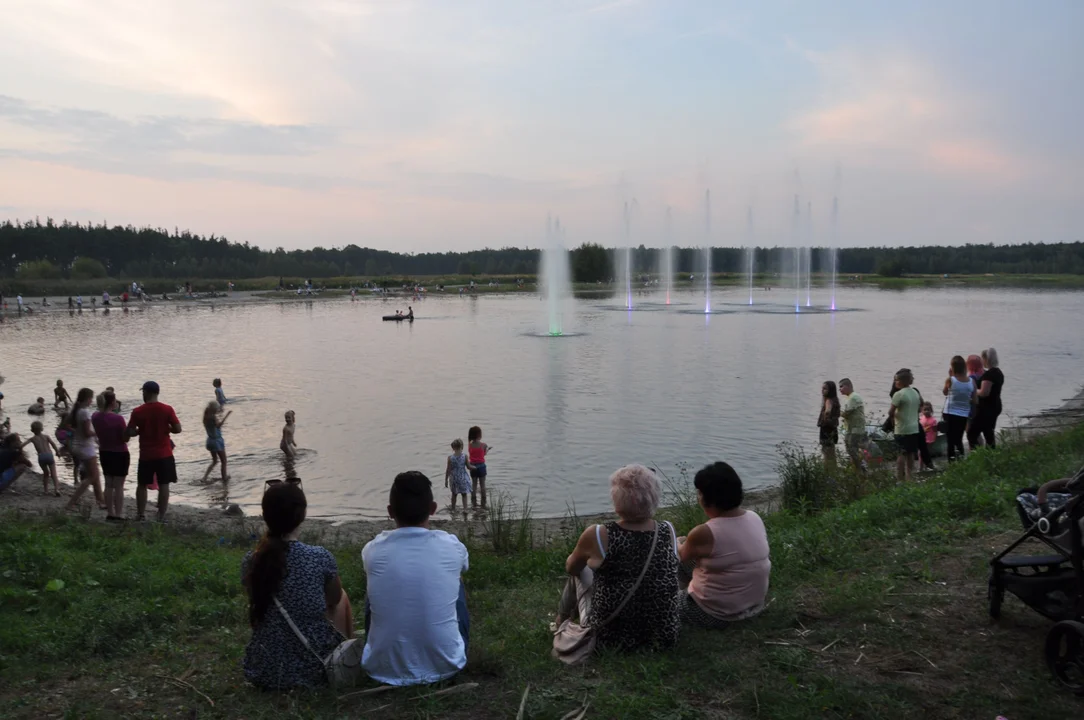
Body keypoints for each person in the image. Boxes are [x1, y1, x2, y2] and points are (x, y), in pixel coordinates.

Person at [242, 481, 354, 690]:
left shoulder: (252, 561)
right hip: (313, 669)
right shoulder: (319, 557)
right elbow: (334, 601)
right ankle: (346, 659)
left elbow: (257, 600)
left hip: (264, 669)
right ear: (301, 516)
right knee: (342, 597)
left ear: (266, 515)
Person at [361, 471, 469, 685]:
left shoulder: (372, 551)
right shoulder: (451, 546)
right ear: (433, 509)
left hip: (380, 668)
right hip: (447, 666)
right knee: (456, 581)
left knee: (374, 587)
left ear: (390, 512)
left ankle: (379, 647)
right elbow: (463, 566)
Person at [558, 464, 680, 652]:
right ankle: (561, 620)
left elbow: (571, 568)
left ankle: (560, 621)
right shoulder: (667, 530)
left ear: (616, 499)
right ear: (654, 497)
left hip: (609, 638)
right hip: (662, 636)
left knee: (579, 568)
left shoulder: (599, 534)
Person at [676, 462, 770, 629]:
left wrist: (676, 542)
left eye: (699, 493)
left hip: (716, 614)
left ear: (709, 500)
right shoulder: (754, 517)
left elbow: (680, 556)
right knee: (690, 552)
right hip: (754, 606)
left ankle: (680, 595)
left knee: (659, 600)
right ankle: (684, 590)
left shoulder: (705, 532)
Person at [127, 381, 182, 523]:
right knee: (164, 484)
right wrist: (167, 429)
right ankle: (161, 515)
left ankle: (140, 514)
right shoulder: (167, 409)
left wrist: (139, 431)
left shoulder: (138, 411)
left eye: (143, 392)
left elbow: (130, 431)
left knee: (142, 484)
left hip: (146, 454)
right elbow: (178, 429)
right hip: (165, 453)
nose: (142, 395)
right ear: (157, 393)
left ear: (147, 392)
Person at [64, 388, 104, 512]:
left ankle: (101, 502)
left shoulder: (76, 411)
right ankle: (71, 503)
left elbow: (66, 425)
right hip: (86, 448)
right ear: (88, 399)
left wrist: (77, 433)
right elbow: (87, 433)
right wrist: (97, 432)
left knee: (95, 475)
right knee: (92, 477)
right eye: (91, 398)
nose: (91, 401)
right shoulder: (85, 412)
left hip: (80, 446)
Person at [93, 391, 130, 521]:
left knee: (108, 484)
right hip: (120, 453)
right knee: (119, 485)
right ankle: (118, 514)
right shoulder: (118, 418)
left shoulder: (95, 416)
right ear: (112, 402)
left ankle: (110, 512)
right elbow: (125, 438)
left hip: (104, 452)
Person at [889, 369, 922, 483]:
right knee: (911, 453)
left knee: (901, 453)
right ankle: (910, 477)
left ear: (901, 381)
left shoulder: (898, 394)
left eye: (896, 380)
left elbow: (891, 411)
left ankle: (900, 477)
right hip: (914, 428)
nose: (895, 382)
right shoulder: (915, 392)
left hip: (902, 428)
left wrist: (893, 419)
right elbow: (919, 407)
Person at [969, 348, 1005, 450]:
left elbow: (984, 393)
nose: (982, 362)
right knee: (988, 431)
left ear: (986, 359)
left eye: (983, 359)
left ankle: (978, 455)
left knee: (972, 433)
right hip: (995, 405)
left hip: (986, 408)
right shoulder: (998, 372)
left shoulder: (989, 375)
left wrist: (974, 390)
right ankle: (990, 454)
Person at [941, 355, 975, 461]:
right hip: (963, 414)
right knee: (959, 439)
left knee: (950, 440)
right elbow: (975, 400)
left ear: (953, 367)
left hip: (949, 413)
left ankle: (951, 463)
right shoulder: (971, 382)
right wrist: (965, 399)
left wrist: (950, 375)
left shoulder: (951, 380)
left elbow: (945, 392)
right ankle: (960, 461)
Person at [21, 422, 60, 496]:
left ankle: (46, 491)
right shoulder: (46, 436)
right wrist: (57, 452)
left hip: (41, 456)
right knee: (54, 474)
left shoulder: (32, 438)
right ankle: (56, 489)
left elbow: (23, 445)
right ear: (42, 428)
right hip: (49, 455)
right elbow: (53, 444)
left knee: (46, 474)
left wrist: (18, 449)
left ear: (32, 430)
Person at [838, 379, 868, 471]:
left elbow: (846, 413)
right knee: (852, 449)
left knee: (852, 449)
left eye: (841, 386)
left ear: (848, 386)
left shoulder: (853, 397)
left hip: (855, 429)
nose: (840, 389)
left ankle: (860, 468)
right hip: (852, 428)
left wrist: (836, 411)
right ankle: (856, 467)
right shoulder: (851, 397)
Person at [201, 401, 231, 484]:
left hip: (210, 440)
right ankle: (224, 478)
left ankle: (204, 477)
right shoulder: (213, 418)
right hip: (217, 441)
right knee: (224, 461)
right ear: (214, 409)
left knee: (214, 460)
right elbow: (219, 426)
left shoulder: (205, 418)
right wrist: (227, 415)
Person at [444, 439, 473, 511]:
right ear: (462, 447)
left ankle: (453, 509)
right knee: (464, 494)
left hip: (454, 479)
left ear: (453, 448)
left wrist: (446, 480)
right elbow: (469, 467)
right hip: (462, 478)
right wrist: (475, 467)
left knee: (454, 494)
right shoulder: (465, 456)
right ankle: (465, 509)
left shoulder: (450, 458)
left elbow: (448, 470)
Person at [817, 381, 841, 469]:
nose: (822, 391)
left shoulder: (828, 400)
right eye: (822, 388)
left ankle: (826, 472)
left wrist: (825, 417)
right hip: (833, 428)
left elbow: (828, 411)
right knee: (831, 451)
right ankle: (834, 470)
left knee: (826, 452)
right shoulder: (836, 400)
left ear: (830, 390)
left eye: (825, 389)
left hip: (826, 429)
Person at [468, 426, 491, 508]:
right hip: (481, 467)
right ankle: (483, 502)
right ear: (479, 435)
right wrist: (488, 450)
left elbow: (472, 454)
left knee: (474, 485)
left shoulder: (469, 445)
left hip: (472, 467)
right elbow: (484, 454)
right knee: (482, 485)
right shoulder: (483, 445)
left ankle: (473, 502)